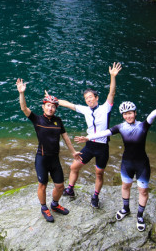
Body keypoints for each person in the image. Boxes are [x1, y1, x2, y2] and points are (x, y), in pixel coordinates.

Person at [76, 95, 156, 232]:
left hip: (142, 164)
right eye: (125, 114)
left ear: (135, 113)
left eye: (130, 113)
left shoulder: (143, 125)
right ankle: (125, 209)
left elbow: (152, 116)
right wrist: (87, 137)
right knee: (125, 186)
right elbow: (104, 133)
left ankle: (140, 216)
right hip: (127, 163)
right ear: (123, 115)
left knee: (143, 190)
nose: (128, 116)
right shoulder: (120, 127)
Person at [47, 62, 122, 209]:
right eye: (86, 98)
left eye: (90, 97)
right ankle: (70, 189)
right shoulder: (85, 109)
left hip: (102, 147)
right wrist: (53, 100)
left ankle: (95, 196)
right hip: (89, 146)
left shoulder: (105, 108)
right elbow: (68, 104)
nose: (88, 100)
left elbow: (111, 93)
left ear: (96, 98)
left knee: (99, 173)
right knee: (74, 167)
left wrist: (112, 77)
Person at [17, 78, 80, 222]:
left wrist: (73, 152)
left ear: (55, 108)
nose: (50, 108)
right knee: (43, 185)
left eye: (53, 106)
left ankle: (55, 205)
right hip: (42, 158)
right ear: (43, 107)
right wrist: (22, 93)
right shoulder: (37, 120)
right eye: (48, 105)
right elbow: (24, 108)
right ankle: (44, 207)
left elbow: (65, 138)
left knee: (60, 186)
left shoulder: (58, 121)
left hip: (55, 159)